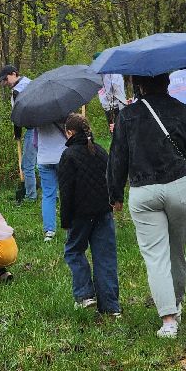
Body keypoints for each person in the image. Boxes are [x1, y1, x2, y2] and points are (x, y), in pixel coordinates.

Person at [107, 73, 186, 338]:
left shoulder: (127, 116)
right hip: (178, 186)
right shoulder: (182, 109)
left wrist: (115, 194)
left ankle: (168, 320)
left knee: (156, 257)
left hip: (143, 191)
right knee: (177, 252)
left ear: (138, 85)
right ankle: (177, 303)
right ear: (167, 82)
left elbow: (118, 157)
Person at [58, 113, 120, 315]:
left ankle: (85, 294)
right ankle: (111, 306)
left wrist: (66, 220)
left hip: (80, 215)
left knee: (74, 251)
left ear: (69, 132)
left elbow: (66, 192)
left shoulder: (68, 156)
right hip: (103, 212)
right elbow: (111, 179)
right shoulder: (100, 151)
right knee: (105, 258)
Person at [0, 64, 37, 202]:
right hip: (44, 127)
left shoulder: (18, 91)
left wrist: (17, 132)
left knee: (27, 165)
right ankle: (52, 194)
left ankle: (30, 196)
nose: (5, 82)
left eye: (6, 78)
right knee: (45, 162)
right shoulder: (31, 83)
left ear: (14, 74)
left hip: (33, 129)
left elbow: (18, 115)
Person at [36, 120, 67, 240]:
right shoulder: (62, 113)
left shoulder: (36, 115)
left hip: (44, 158)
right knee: (67, 193)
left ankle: (49, 231)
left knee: (48, 195)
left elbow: (34, 138)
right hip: (63, 157)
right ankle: (69, 227)